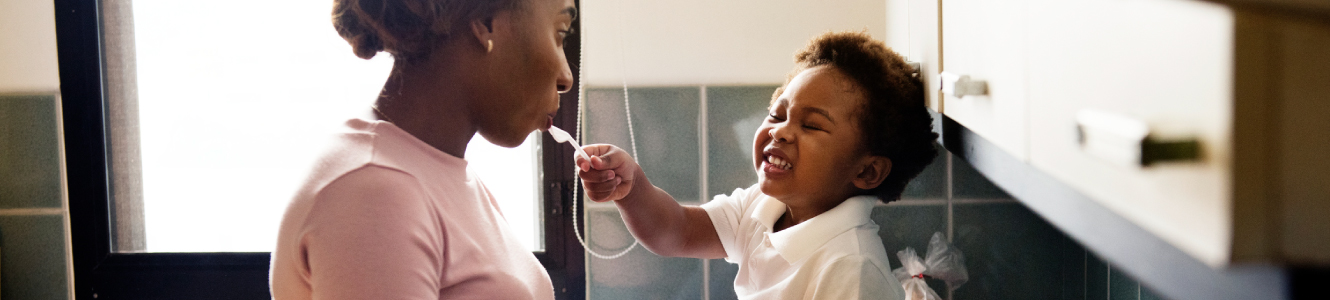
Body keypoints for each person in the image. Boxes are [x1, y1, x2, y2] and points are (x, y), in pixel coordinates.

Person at [575, 31, 937, 299]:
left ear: (866, 171)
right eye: (776, 115)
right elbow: (678, 231)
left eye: (810, 125)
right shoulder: (763, 206)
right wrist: (633, 186)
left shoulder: (850, 269)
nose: (780, 132)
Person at [269, 0, 576, 298]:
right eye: (560, 33)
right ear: (486, 24)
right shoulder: (375, 192)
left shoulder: (432, 169)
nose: (566, 77)